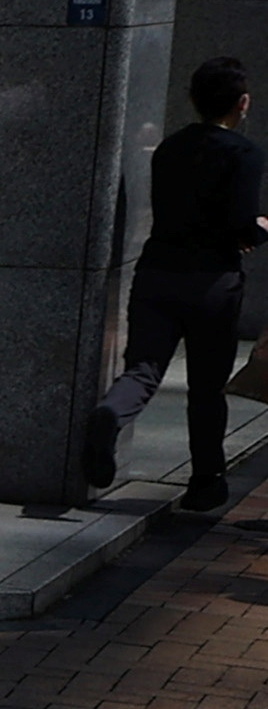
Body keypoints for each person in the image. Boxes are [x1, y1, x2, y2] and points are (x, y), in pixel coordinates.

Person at [86, 55, 265, 511]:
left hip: (157, 272)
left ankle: (112, 412)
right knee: (207, 386)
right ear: (242, 104)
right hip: (212, 282)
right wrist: (260, 227)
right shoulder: (244, 154)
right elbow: (241, 223)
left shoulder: (170, 148)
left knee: (143, 369)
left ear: (192, 98)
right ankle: (205, 481)